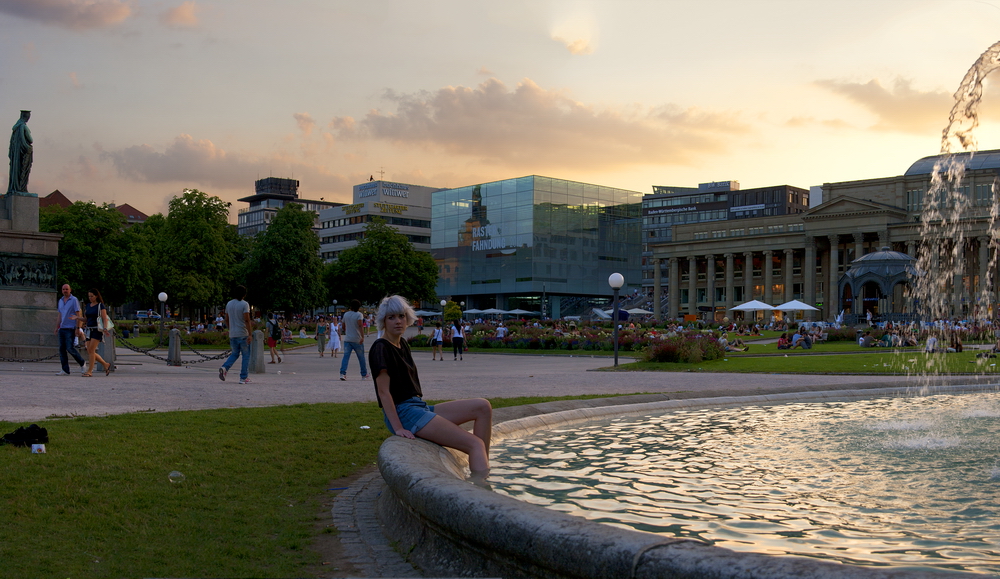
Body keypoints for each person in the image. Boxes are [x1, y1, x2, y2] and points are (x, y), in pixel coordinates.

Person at [369, 295, 492, 483]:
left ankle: (483, 466)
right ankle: (481, 491)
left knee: (483, 407)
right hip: (404, 412)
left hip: (418, 407)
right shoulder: (381, 348)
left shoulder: (402, 343)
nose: (398, 321)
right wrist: (398, 428)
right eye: (391, 317)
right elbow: (384, 393)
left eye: (401, 316)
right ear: (383, 321)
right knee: (474, 443)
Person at [219, 285, 254, 384]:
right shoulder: (244, 304)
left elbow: (226, 319)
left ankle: (225, 367)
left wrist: (231, 329)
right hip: (242, 333)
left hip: (233, 333)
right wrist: (250, 334)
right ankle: (243, 377)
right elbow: (247, 320)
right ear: (244, 294)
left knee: (234, 353)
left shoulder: (229, 304)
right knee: (246, 355)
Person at [54, 284, 86, 375]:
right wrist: (57, 327)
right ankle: (65, 369)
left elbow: (78, 314)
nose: (65, 291)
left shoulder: (74, 300)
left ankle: (82, 362)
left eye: (67, 289)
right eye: (63, 289)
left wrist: (78, 328)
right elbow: (60, 315)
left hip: (70, 328)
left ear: (70, 290)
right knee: (62, 349)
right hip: (62, 328)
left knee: (70, 348)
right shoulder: (60, 301)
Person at [82, 288, 113, 377]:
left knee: (92, 350)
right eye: (89, 296)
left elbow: (104, 318)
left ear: (96, 296)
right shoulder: (88, 306)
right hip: (89, 329)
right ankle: (105, 364)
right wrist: (77, 318)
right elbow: (86, 319)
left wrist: (105, 328)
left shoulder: (100, 306)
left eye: (92, 296)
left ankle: (90, 371)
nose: (90, 298)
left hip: (97, 330)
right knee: (89, 350)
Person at [340, 299, 368, 381]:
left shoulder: (346, 314)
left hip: (348, 339)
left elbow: (343, 326)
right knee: (361, 357)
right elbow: (360, 326)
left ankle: (342, 373)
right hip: (357, 339)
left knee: (346, 357)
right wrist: (362, 336)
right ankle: (363, 374)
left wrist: (347, 332)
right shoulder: (359, 315)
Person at [7, 110, 32, 195]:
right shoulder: (22, 127)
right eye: (28, 116)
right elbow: (30, 140)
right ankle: (21, 189)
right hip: (23, 154)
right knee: (23, 172)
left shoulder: (16, 128)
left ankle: (15, 187)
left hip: (17, 155)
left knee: (16, 171)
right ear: (26, 116)